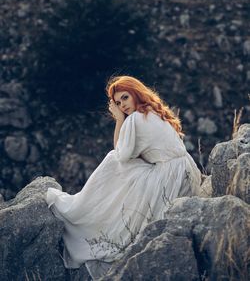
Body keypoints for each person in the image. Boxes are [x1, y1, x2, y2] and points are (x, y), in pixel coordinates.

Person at [45, 75, 201, 280]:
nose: (123, 105)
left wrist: (119, 120)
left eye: (125, 98)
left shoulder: (136, 118)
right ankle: (97, 207)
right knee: (124, 167)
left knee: (112, 161)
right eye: (118, 103)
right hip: (186, 171)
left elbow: (121, 154)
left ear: (136, 92)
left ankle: (82, 209)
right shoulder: (153, 111)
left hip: (168, 176)